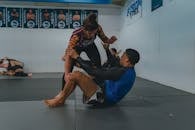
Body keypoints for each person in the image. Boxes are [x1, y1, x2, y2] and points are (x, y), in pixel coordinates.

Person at [44, 48, 140, 107]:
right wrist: (106, 49)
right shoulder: (130, 71)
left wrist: (77, 57)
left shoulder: (121, 72)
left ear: (127, 59)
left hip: (103, 99)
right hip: (105, 92)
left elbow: (95, 72)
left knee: (77, 74)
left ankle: (60, 99)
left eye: (123, 55)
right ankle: (61, 99)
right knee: (80, 75)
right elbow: (110, 64)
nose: (121, 57)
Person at [61, 13, 117, 89]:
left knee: (98, 66)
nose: (92, 35)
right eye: (90, 33)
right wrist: (67, 74)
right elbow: (69, 52)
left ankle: (100, 87)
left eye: (94, 33)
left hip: (90, 46)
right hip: (78, 47)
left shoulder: (98, 28)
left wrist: (110, 41)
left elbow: (105, 39)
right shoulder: (76, 35)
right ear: (84, 30)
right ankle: (62, 92)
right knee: (68, 69)